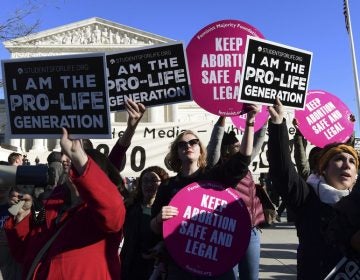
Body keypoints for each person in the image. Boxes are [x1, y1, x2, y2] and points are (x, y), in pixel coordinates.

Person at [150, 104, 260, 280]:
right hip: (181, 265)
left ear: (201, 149)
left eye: (193, 142)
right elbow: (154, 228)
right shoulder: (167, 186)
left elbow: (242, 160)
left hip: (217, 263)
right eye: (182, 144)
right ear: (176, 152)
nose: (188, 146)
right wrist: (158, 219)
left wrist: (250, 122)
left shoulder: (213, 178)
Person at [4, 128, 126, 279]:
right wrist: (22, 216)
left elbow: (111, 208)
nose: (64, 160)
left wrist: (80, 158)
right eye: (63, 155)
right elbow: (24, 251)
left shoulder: (101, 212)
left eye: (76, 165)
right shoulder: (48, 202)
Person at [267, 98, 359, 279]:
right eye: (339, 159)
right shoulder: (307, 198)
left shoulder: (356, 203)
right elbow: (282, 170)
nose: (347, 165)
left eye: (352, 161)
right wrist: (278, 124)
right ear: (323, 168)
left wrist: (350, 127)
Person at [206, 116, 266, 280]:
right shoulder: (217, 168)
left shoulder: (244, 164)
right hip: (227, 231)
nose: (241, 146)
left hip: (251, 230)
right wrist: (221, 119)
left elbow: (258, 141)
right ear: (226, 149)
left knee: (251, 277)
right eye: (236, 145)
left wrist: (264, 118)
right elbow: (213, 147)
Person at [121, 166, 169, 280]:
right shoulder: (130, 207)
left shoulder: (168, 211)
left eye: (153, 180)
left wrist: (162, 245)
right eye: (145, 181)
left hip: (155, 269)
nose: (149, 185)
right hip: (130, 265)